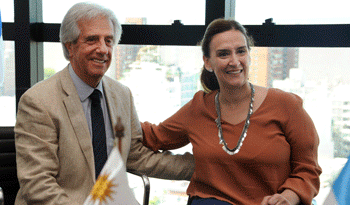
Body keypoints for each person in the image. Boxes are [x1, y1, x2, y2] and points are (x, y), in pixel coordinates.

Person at [14, 2, 194, 205]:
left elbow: (136, 156)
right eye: (92, 40)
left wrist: (206, 166)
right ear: (69, 46)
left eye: (108, 41)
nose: (102, 49)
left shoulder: (121, 95)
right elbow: (37, 184)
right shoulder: (38, 101)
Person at [141, 19, 322, 205]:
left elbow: (308, 168)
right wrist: (112, 104)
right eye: (223, 54)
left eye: (241, 51)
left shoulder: (286, 105)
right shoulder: (198, 108)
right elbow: (153, 136)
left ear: (249, 56)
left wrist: (287, 198)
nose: (234, 61)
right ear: (208, 62)